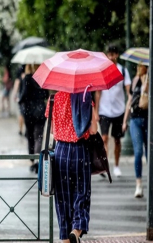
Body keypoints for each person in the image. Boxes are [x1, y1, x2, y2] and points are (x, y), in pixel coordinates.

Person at [46, 91, 99, 242]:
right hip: (80, 150)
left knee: (63, 199)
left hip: (60, 151)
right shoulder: (85, 97)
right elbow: (93, 130)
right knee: (81, 193)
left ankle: (65, 237)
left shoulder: (54, 99)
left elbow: (51, 129)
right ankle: (76, 229)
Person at [95, 45, 131, 177]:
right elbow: (98, 92)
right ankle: (105, 165)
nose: (111, 57)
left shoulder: (123, 71)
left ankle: (116, 165)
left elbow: (128, 90)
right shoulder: (103, 71)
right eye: (109, 54)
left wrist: (129, 100)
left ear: (116, 55)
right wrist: (96, 111)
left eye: (113, 54)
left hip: (119, 110)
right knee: (104, 138)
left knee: (117, 140)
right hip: (104, 110)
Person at [122, 63, 149, 198]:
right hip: (135, 119)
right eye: (138, 66)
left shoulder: (150, 79)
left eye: (142, 66)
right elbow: (130, 100)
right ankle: (138, 184)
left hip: (148, 119)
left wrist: (146, 87)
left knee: (150, 153)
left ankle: (152, 183)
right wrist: (124, 120)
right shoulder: (135, 80)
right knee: (138, 151)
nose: (140, 68)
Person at [18, 64, 49, 173]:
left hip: (29, 112)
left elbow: (23, 95)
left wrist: (19, 100)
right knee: (39, 136)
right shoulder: (42, 78)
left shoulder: (27, 78)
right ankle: (37, 161)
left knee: (30, 136)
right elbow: (46, 94)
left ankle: (32, 160)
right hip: (41, 111)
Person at [12, 64, 26, 136]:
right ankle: (26, 129)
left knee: (21, 114)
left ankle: (20, 129)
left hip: (21, 98)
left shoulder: (20, 72)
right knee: (26, 114)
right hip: (28, 98)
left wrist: (15, 95)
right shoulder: (30, 72)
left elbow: (17, 83)